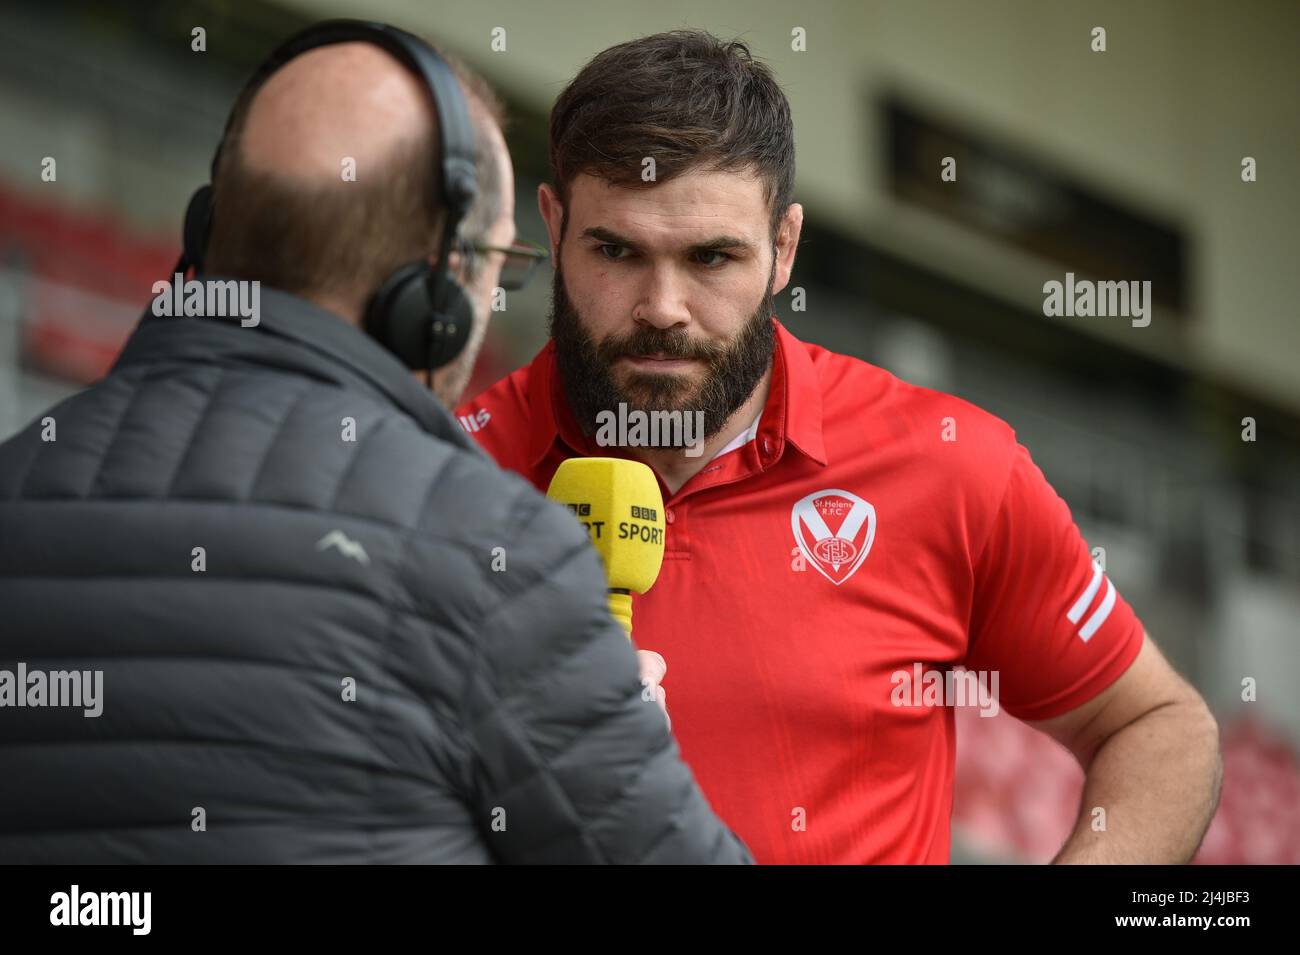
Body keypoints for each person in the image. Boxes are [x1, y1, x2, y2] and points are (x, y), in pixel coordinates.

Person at [456, 29, 1222, 864]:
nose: (663, 306)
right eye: (617, 251)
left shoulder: (951, 464)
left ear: (784, 247)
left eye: (712, 256)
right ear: (554, 223)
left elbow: (1160, 726)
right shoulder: (446, 479)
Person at [0, 21, 750, 865]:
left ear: (209, 234)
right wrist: (620, 743)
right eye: (499, 266)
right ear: (430, 298)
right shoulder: (495, 555)